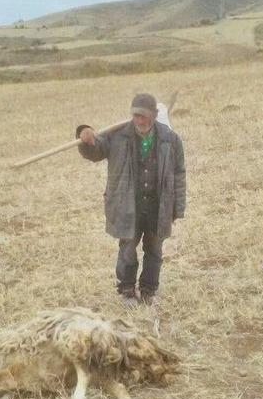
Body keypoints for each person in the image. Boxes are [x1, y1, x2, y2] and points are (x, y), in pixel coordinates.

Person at [77, 93, 186, 307]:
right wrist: (85, 135)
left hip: (158, 205)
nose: (139, 120)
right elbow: (95, 150)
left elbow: (179, 173)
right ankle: (127, 291)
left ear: (154, 115)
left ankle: (148, 290)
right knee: (127, 249)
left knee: (154, 251)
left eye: (144, 116)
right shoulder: (117, 136)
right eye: (135, 115)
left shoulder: (170, 139)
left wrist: (177, 208)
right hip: (128, 206)